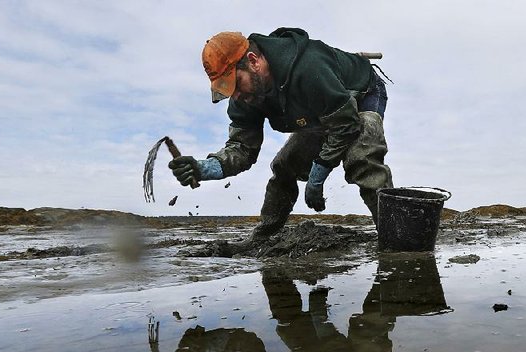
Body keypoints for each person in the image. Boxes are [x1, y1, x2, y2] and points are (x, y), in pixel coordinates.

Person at [168, 28, 394, 240]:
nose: (235, 95)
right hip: (319, 112)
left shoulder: (309, 67)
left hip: (362, 95)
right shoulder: (244, 98)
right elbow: (242, 148)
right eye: (227, 89)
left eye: (236, 84)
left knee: (362, 159)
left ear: (253, 61)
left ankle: (395, 236)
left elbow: (345, 125)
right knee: (284, 166)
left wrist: (318, 175)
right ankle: (264, 237)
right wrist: (205, 168)